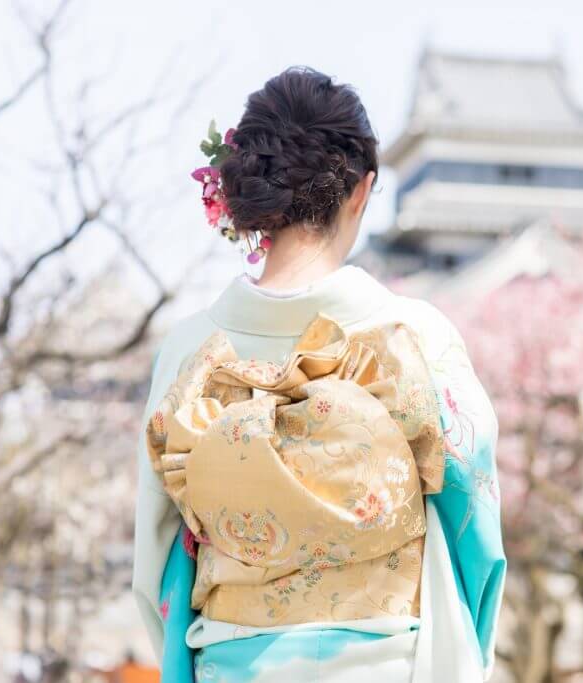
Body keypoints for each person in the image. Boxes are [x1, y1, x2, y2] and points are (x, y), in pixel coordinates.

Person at [132, 66, 505, 683]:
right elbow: (476, 530)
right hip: (391, 662)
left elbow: (156, 552)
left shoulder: (189, 348)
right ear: (362, 190)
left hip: (231, 660)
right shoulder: (415, 337)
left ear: (247, 190)